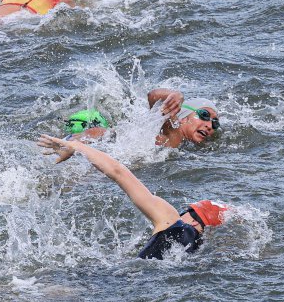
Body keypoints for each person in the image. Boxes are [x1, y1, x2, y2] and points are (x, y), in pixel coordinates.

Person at [37, 135, 228, 260]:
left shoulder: (172, 221)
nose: (181, 213)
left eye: (188, 212)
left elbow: (118, 172)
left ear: (195, 222)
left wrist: (77, 146)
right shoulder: (195, 254)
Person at [61, 88, 220, 152]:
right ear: (184, 116)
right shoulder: (174, 133)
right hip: (98, 140)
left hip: (101, 140)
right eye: (204, 115)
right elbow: (153, 96)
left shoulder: (168, 134)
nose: (209, 125)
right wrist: (176, 94)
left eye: (215, 123)